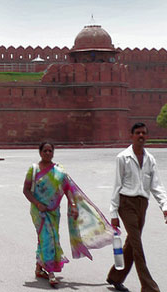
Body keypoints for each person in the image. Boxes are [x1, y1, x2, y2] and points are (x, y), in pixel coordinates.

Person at [23, 142, 114, 287]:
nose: (47, 153)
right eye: (45, 151)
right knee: (48, 238)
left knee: (48, 237)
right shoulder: (33, 170)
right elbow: (26, 190)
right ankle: (51, 271)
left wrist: (73, 204)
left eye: (50, 151)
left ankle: (39, 268)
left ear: (53, 153)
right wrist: (37, 203)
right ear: (40, 152)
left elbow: (68, 189)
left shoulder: (59, 170)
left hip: (53, 211)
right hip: (38, 211)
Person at [106, 123, 167, 292]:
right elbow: (117, 186)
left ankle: (115, 277)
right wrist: (113, 213)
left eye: (144, 133)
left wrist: (164, 206)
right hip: (126, 204)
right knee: (137, 245)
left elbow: (156, 185)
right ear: (131, 135)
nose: (141, 135)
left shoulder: (150, 159)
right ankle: (149, 287)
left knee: (132, 244)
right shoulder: (123, 157)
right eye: (138, 133)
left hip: (142, 204)